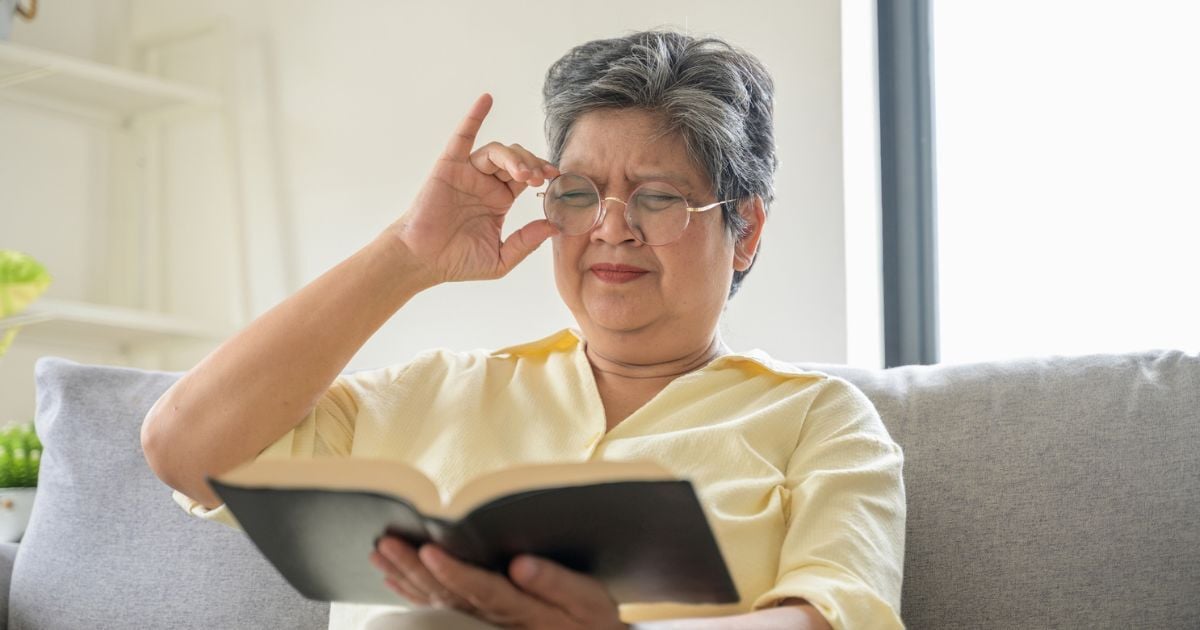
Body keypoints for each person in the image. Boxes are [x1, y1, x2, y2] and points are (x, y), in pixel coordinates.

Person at [141, 30, 905, 630]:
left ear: (744, 230)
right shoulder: (435, 391)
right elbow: (183, 448)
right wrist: (406, 254)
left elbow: (830, 617)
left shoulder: (820, 421)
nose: (612, 229)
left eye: (658, 197)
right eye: (579, 193)